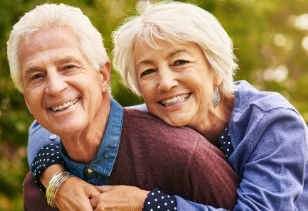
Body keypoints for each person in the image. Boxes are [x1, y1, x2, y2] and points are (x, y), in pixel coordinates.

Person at [28, 1, 308, 210]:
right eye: (148, 71)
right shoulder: (153, 116)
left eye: (180, 62)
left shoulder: (272, 123)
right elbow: (45, 124)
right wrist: (57, 180)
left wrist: (147, 202)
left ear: (216, 66)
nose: (165, 83)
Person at [6, 3, 239, 211]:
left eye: (68, 66)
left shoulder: (187, 159)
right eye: (36, 76)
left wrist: (147, 203)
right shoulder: (39, 190)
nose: (55, 88)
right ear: (26, 97)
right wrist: (55, 180)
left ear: (103, 76)